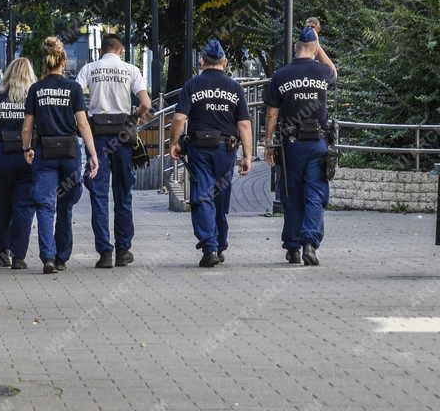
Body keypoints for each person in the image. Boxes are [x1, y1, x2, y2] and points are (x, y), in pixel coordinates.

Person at [168, 40, 254, 267]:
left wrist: (173, 143)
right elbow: (244, 124)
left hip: (199, 149)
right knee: (219, 197)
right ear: (224, 62)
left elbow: (179, 118)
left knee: (203, 196)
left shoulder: (193, 85)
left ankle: (210, 246)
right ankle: (219, 243)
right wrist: (247, 155)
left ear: (202, 62)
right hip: (226, 150)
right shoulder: (235, 88)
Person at [22, 37, 98, 274]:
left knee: (45, 206)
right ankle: (62, 255)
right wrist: (93, 154)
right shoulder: (73, 88)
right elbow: (83, 124)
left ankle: (48, 257)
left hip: (45, 153)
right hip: (69, 153)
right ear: (63, 60)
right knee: (66, 204)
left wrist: (27, 149)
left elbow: (27, 126)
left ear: (44, 63)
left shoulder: (36, 89)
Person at [74, 34, 151, 268]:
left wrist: (86, 120)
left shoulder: (89, 69)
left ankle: (104, 252)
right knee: (123, 194)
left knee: (98, 195)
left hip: (97, 136)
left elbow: (74, 98)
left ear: (101, 50)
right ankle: (123, 249)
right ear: (121, 50)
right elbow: (146, 104)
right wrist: (134, 116)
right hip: (124, 137)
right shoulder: (131, 70)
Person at [264, 26, 337, 266]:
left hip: (291, 145)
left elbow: (272, 114)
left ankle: (293, 247)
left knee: (291, 194)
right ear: (314, 48)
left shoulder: (281, 75)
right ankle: (310, 244)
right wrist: (319, 46)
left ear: (295, 49)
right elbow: (334, 72)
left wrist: (268, 143)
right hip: (318, 143)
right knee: (315, 195)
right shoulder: (322, 72)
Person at [0, 58, 37, 269]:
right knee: (24, 207)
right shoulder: (34, 96)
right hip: (27, 155)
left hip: (0, 156)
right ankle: (19, 255)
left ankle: (3, 251)